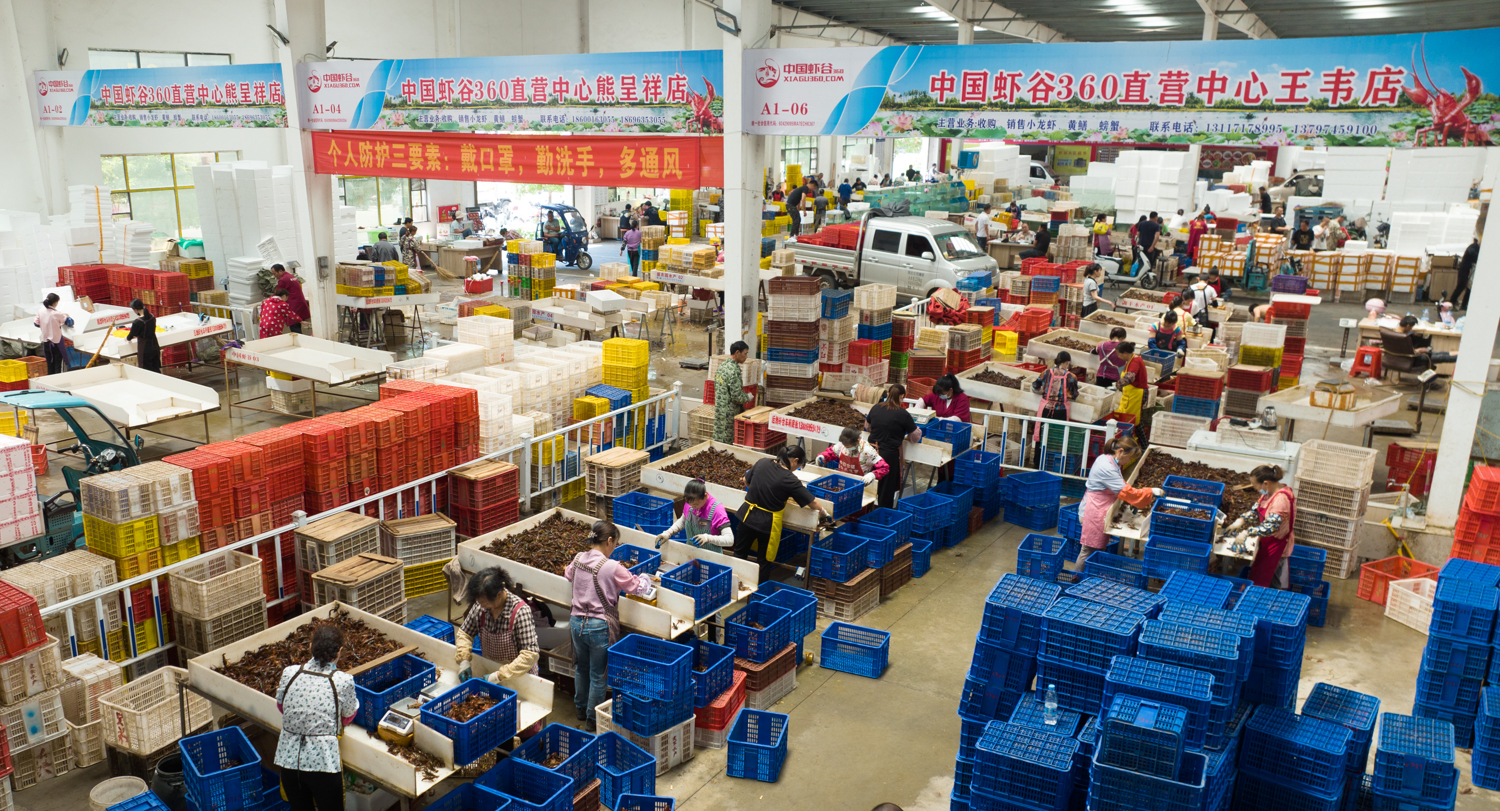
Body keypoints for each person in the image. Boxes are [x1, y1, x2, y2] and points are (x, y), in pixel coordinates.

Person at [564, 521, 655, 730]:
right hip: (599, 626)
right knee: (598, 675)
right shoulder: (612, 567)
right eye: (615, 543)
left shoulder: (578, 558)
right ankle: (592, 719)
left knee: (581, 668)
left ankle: (579, 709)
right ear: (609, 540)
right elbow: (636, 587)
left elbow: (568, 574)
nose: (614, 548)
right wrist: (644, 578)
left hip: (576, 622)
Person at [274, 624, 359, 811]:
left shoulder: (290, 673)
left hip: (289, 762)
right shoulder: (343, 680)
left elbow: (281, 706)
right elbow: (347, 716)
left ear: (311, 646)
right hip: (323, 764)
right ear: (339, 652)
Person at [735, 446, 830, 577]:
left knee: (739, 554)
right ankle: (759, 594)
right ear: (795, 460)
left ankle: (735, 587)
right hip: (767, 525)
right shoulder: (789, 479)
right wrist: (824, 512)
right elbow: (812, 502)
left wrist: (759, 492)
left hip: (746, 516)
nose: (796, 469)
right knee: (764, 561)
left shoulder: (763, 462)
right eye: (798, 466)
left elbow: (746, 480)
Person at [1075, 436, 1160, 567]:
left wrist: (1134, 500)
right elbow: (1127, 492)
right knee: (1088, 551)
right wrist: (1150, 492)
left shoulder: (1108, 460)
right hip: (1094, 512)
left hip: (1100, 508)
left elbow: (1121, 485)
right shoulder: (1107, 467)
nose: (1129, 460)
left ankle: (1087, 577)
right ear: (1120, 451)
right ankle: (1077, 579)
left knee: (1097, 551)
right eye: (1130, 457)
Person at [456, 567, 539, 686]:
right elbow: (465, 634)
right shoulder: (480, 607)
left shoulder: (520, 612)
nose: (482, 606)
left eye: (485, 603)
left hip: (519, 678)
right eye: (480, 603)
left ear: (499, 594)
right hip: (491, 672)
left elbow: (530, 654)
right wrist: (464, 660)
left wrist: (499, 676)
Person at [1227, 465, 1297, 588]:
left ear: (1265, 483)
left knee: (1271, 580)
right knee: (1260, 575)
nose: (1255, 488)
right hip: (1267, 542)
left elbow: (1270, 527)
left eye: (1255, 485)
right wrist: (1241, 520)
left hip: (1277, 545)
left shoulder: (1281, 500)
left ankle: (1271, 602)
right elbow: (1256, 510)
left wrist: (1246, 533)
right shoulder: (1269, 493)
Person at [865, 383, 923, 508]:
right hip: (888, 456)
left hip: (870, 451)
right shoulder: (903, 414)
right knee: (886, 489)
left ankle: (866, 513)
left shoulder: (875, 408)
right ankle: (882, 516)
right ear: (902, 396)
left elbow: (867, 426)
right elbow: (914, 437)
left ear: (888, 394)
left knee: (868, 484)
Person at [654, 479, 733, 551]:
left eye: (696, 504)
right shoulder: (691, 502)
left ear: (705, 496)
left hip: (711, 557)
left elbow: (730, 540)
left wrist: (708, 538)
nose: (693, 507)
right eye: (690, 504)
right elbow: (683, 521)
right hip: (691, 554)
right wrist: (668, 533)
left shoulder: (717, 510)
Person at [1031, 352, 1079, 466]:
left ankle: (1038, 464)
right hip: (1061, 411)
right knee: (1057, 438)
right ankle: (1053, 464)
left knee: (1042, 437)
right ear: (1068, 363)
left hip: (1045, 410)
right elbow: (1075, 394)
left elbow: (1035, 386)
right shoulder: (1071, 377)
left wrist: (1043, 391)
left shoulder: (1046, 373)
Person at [816, 426, 888, 486]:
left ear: (857, 441)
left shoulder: (868, 451)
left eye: (848, 446)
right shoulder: (842, 445)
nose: (846, 448)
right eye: (845, 446)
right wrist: (822, 457)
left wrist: (872, 475)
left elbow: (884, 468)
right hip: (841, 482)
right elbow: (831, 452)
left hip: (859, 485)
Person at [712, 341, 752, 442]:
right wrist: (747, 397)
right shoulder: (734, 370)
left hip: (719, 410)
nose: (746, 357)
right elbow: (737, 396)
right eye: (745, 353)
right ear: (737, 352)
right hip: (730, 414)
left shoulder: (722, 366)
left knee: (718, 439)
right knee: (728, 442)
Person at [34, 293, 73, 375]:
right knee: (58, 364)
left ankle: (51, 382)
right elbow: (69, 322)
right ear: (55, 303)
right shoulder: (56, 313)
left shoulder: (40, 311)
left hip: (46, 342)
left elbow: (36, 324)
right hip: (56, 342)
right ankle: (58, 382)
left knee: (50, 364)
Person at [1113, 342, 1149, 423]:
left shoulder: (1135, 361)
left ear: (1125, 353)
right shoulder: (1131, 359)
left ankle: (1136, 436)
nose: (1118, 357)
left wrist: (1117, 385)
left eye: (1119, 354)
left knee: (1133, 421)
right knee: (1132, 420)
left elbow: (1130, 377)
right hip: (1131, 394)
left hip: (1136, 394)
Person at [125, 299, 161, 373]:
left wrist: (127, 338)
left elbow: (131, 335)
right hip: (155, 345)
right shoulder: (152, 317)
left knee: (147, 371)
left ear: (135, 309)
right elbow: (149, 330)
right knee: (156, 368)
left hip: (145, 349)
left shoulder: (137, 322)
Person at [274, 264, 310, 335]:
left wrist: (268, 300)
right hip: (300, 303)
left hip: (293, 305)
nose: (274, 276)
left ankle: (298, 342)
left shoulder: (283, 279)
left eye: (274, 273)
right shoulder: (291, 276)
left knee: (294, 326)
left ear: (280, 271)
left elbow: (278, 293)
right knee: (298, 324)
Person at [1456, 237, 1479, 310]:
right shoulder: (1473, 247)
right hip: (1465, 268)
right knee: (1461, 286)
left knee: (1468, 288)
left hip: (1468, 269)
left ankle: (1463, 304)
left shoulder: (1474, 247)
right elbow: (1474, 256)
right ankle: (1452, 301)